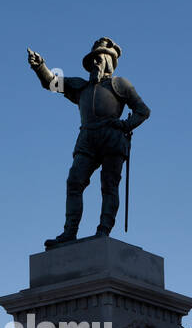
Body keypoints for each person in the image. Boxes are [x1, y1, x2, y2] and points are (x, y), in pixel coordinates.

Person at [26, 37, 151, 247]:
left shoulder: (120, 84)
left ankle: (103, 229)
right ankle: (69, 232)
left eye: (99, 59)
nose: (95, 63)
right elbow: (51, 82)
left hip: (112, 137)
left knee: (109, 185)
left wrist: (125, 126)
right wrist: (40, 66)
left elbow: (143, 111)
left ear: (109, 61)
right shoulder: (80, 87)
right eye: (93, 59)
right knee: (74, 181)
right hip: (87, 138)